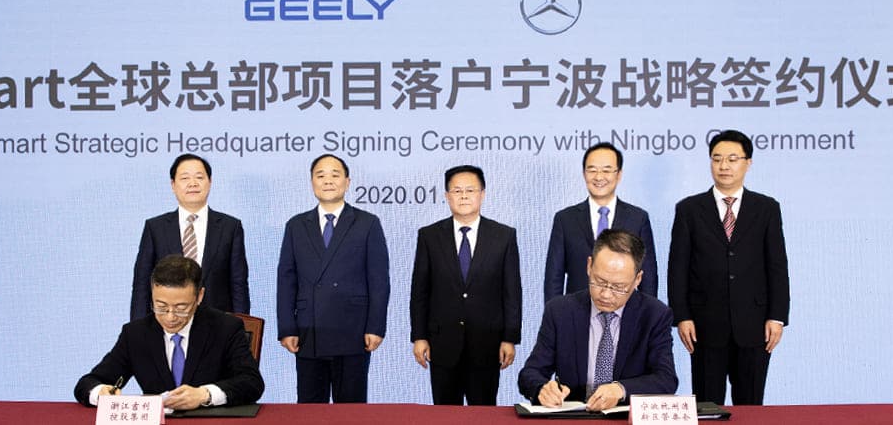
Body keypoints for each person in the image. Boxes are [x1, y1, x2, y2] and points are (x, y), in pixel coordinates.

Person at [667, 129, 790, 405]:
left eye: (732, 159)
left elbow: (777, 266)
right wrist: (682, 316)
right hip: (704, 325)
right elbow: (678, 267)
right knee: (707, 406)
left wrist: (777, 316)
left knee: (751, 405)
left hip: (754, 325)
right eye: (717, 158)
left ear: (748, 162)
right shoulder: (689, 209)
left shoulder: (767, 208)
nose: (724, 166)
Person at [75, 255, 264, 409]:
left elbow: (251, 382)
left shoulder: (226, 328)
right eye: (161, 306)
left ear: (199, 296)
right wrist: (100, 393)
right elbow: (88, 383)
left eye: (181, 308)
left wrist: (204, 394)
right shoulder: (135, 334)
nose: (170, 317)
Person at [519, 229, 677, 411]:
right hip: (574, 415)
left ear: (637, 279)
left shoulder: (655, 315)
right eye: (599, 281)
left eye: (619, 287)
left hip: (624, 418)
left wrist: (620, 389)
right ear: (589, 266)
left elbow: (666, 379)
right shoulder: (560, 311)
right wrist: (542, 389)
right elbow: (530, 373)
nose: (606, 294)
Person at [276, 153, 390, 403]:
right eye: (321, 175)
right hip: (308, 329)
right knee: (309, 409)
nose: (328, 181)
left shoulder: (367, 223)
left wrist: (375, 326)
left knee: (350, 410)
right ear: (312, 182)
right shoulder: (296, 225)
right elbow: (286, 280)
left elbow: (379, 280)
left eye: (335, 175)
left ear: (347, 182)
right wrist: (287, 328)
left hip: (353, 329)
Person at [410, 165, 522, 405]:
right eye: (457, 191)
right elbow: (420, 292)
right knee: (444, 415)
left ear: (482, 194)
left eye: (470, 190)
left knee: (483, 414)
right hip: (442, 344)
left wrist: (509, 338)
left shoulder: (503, 236)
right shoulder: (429, 236)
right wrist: (419, 336)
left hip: (487, 343)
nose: (463, 196)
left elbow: (512, 292)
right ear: (447, 196)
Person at [130, 153, 250, 321]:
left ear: (210, 182)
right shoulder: (155, 228)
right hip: (168, 323)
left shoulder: (230, 227)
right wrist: (138, 329)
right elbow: (142, 284)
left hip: (217, 325)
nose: (193, 183)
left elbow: (238, 284)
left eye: (199, 177)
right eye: (185, 178)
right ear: (173, 185)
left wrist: (242, 328)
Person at [544, 142, 659, 302]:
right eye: (592, 170)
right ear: (584, 174)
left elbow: (648, 277)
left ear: (618, 175)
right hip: (577, 312)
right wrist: (554, 313)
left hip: (624, 311)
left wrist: (648, 314)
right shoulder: (565, 219)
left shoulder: (638, 219)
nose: (599, 177)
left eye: (606, 170)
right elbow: (553, 279)